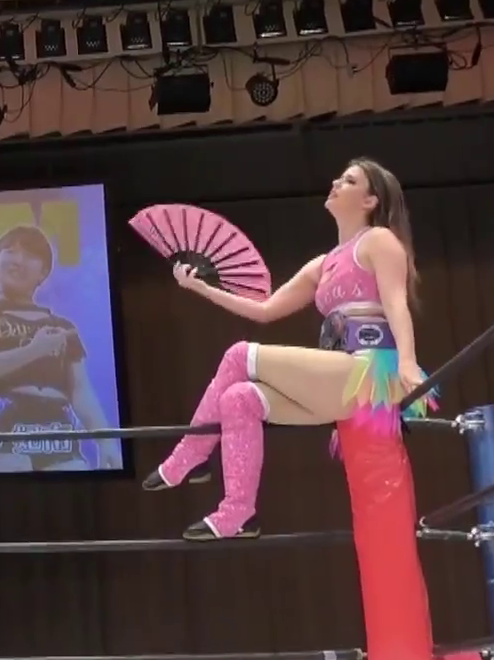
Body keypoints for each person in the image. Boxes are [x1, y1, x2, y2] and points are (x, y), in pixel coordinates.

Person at [144, 158, 435, 539]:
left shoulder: (379, 241)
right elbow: (265, 310)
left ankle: (191, 454)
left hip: (371, 372)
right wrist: (200, 288)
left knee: (239, 355)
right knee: (238, 399)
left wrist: (409, 363)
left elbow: (396, 303)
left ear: (370, 201)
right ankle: (238, 512)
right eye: (339, 177)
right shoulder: (323, 264)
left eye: (349, 180)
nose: (335, 182)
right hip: (338, 377)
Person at [0, 226, 116, 473]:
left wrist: (106, 441)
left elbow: (81, 391)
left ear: (43, 272)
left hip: (57, 427)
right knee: (12, 474)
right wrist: (32, 351)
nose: (18, 260)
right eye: (9, 251)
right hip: (1, 422)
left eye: (29, 255)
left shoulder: (62, 326)